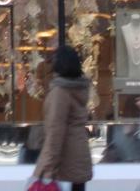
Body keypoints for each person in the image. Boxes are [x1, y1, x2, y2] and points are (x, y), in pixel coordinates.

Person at [33, 46, 93, 191]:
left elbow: (55, 132)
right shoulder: (79, 88)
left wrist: (47, 168)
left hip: (64, 161)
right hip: (79, 155)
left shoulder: (60, 92)